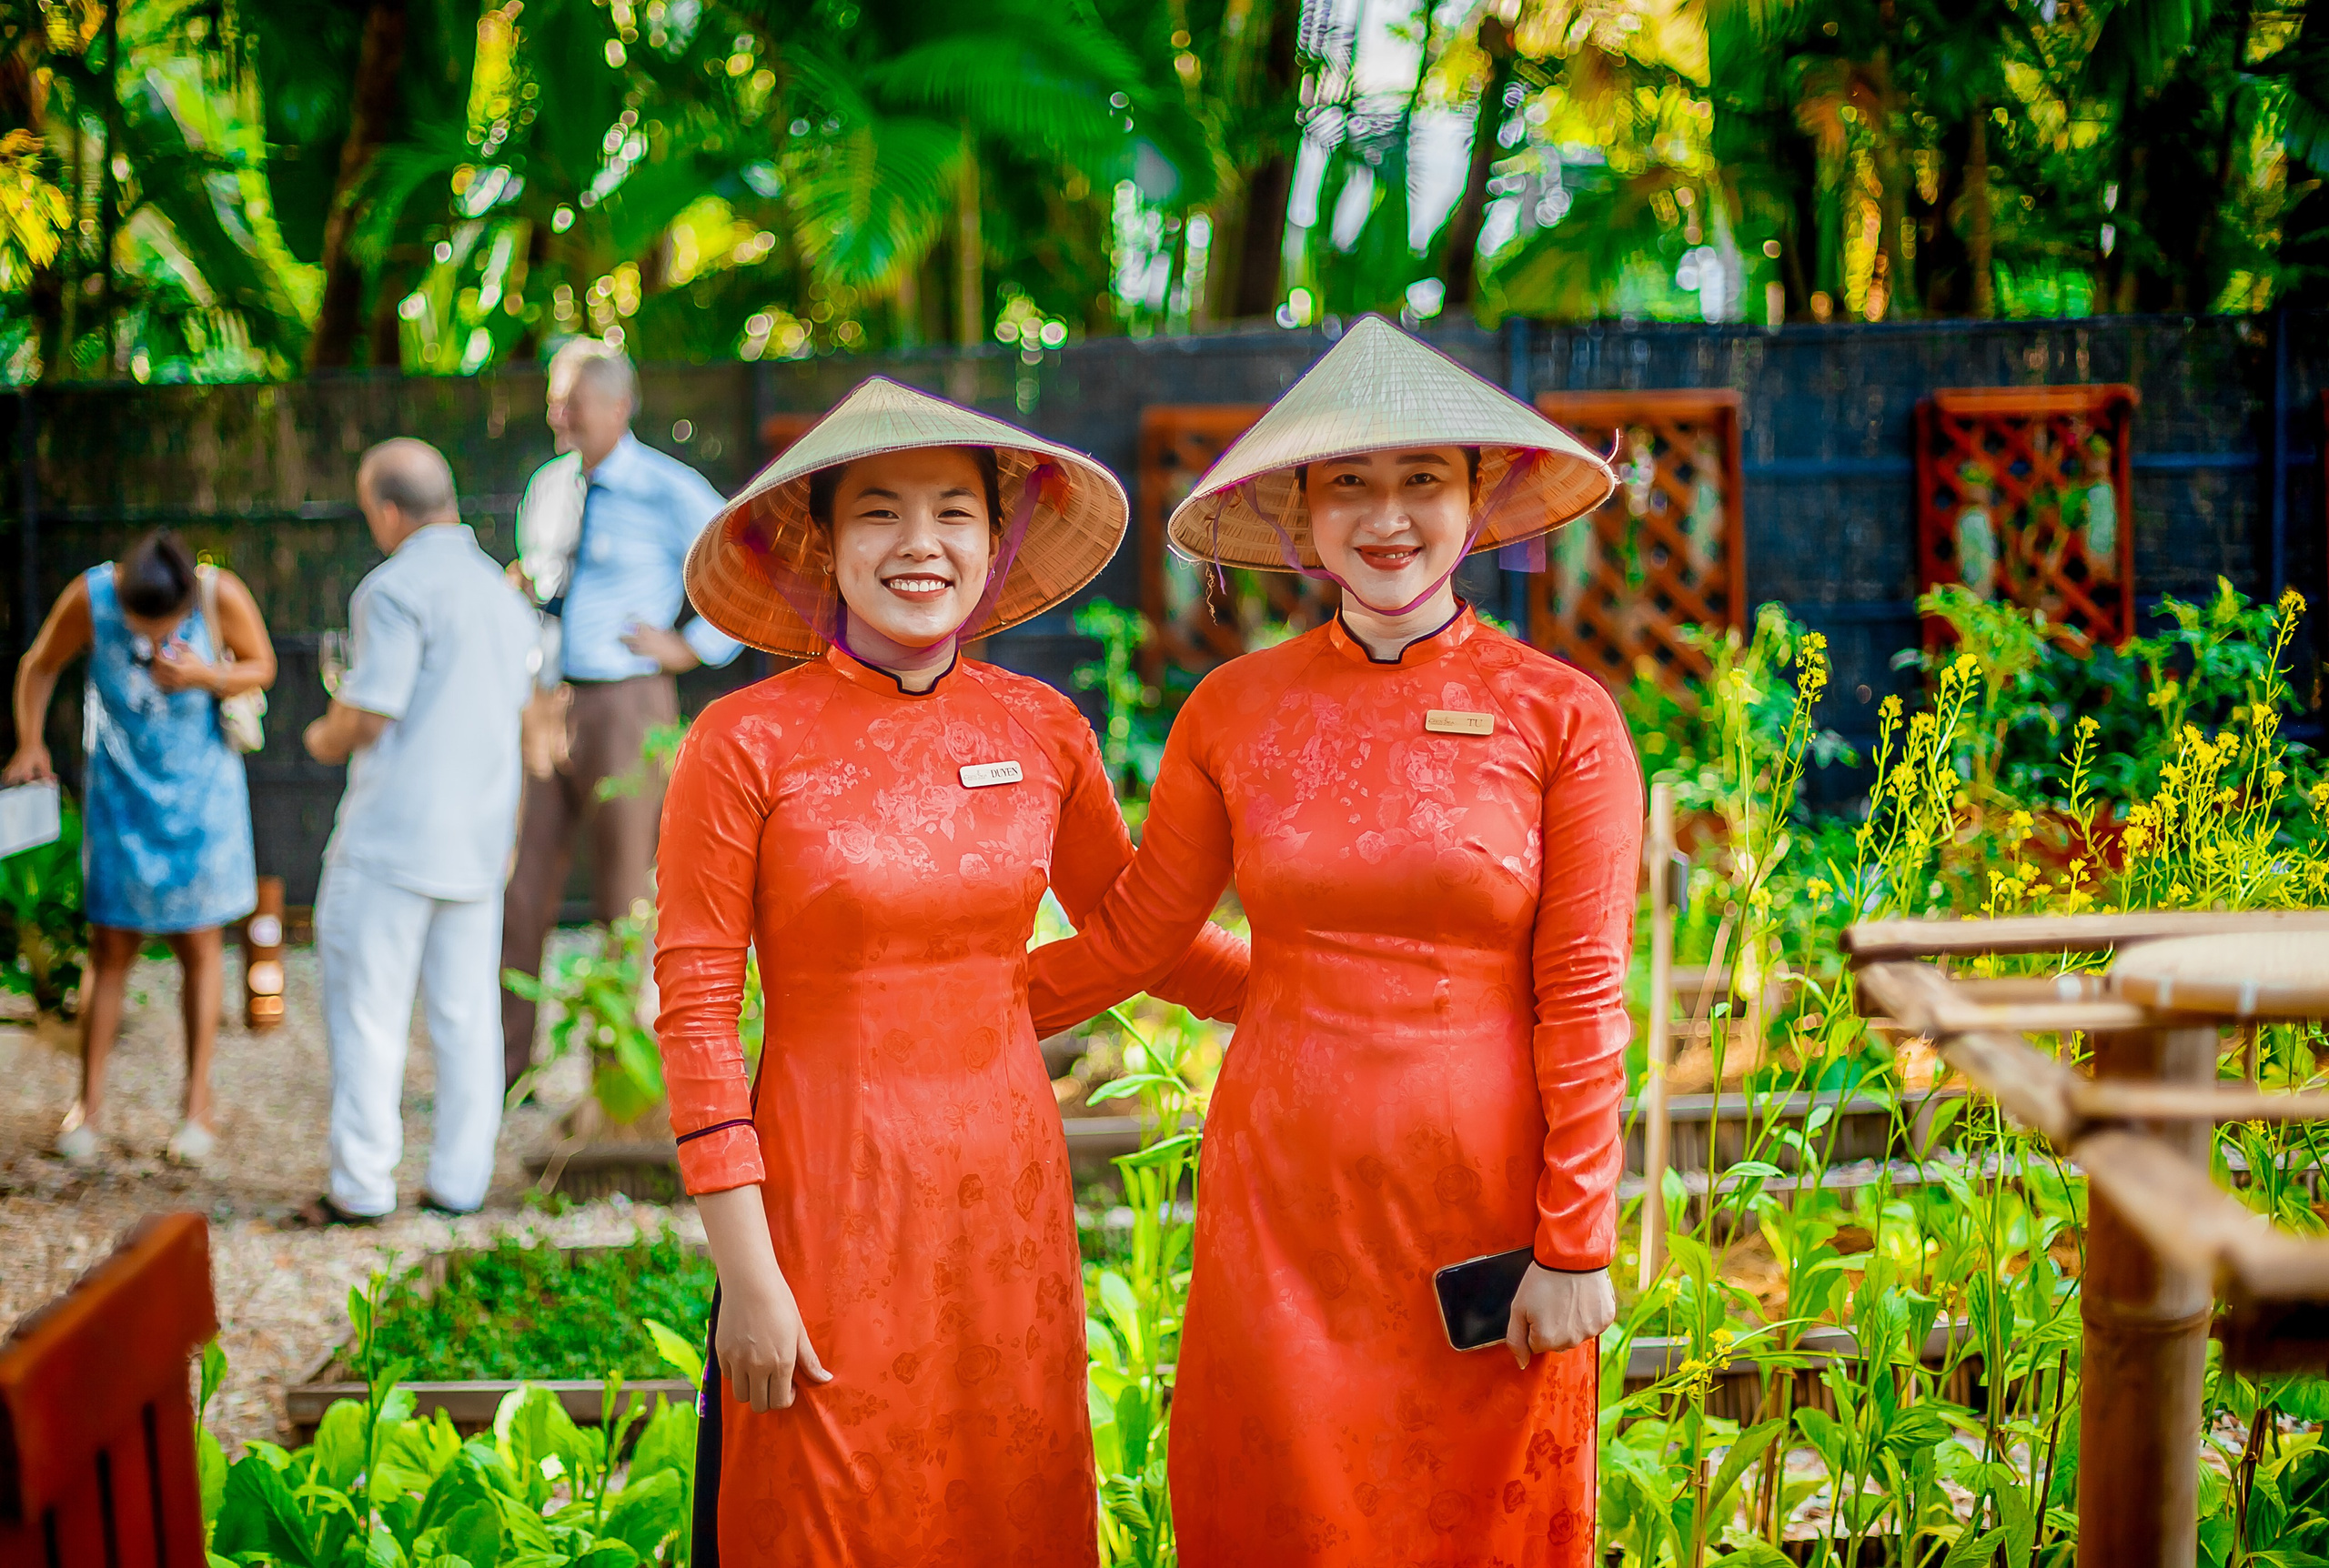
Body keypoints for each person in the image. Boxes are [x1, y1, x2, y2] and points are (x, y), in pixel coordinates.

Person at [1027, 316, 1636, 1564]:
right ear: (1301, 519)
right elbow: (1146, 933)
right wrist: (932, 1006)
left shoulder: (1563, 719)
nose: (1388, 516)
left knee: (1476, 1521)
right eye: (1348, 484)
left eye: (1423, 481)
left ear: (1480, 498)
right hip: (1281, 1205)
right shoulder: (1235, 709)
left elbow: (1581, 992)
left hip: (1483, 1203)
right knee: (1282, 1515)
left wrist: (1576, 1239)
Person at [653, 377, 1246, 1565]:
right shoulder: (743, 741)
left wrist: (1318, 984)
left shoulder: (1043, 729)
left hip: (1007, 1198)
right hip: (823, 1200)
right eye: (879, 512)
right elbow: (699, 1013)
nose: (919, 545)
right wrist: (748, 1274)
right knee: (828, 1511)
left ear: (996, 538)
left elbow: (1141, 931)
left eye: (953, 513)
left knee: (1002, 1500)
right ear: (822, 542)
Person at [292, 439, 538, 1226]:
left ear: (388, 511)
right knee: (467, 1018)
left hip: (393, 839)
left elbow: (369, 712)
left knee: (368, 1013)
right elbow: (525, 724)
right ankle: (459, 1184)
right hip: (476, 839)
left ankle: (362, 1186)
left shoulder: (392, 589)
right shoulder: (505, 598)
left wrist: (320, 737)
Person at [500, 345, 743, 1091]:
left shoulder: (668, 489)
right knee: (519, 888)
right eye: (552, 400)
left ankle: (615, 1082)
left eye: (570, 401)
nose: (556, 415)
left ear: (617, 408)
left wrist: (690, 647)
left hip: (628, 706)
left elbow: (743, 561)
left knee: (623, 893)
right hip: (547, 705)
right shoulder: (547, 487)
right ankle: (505, 1074)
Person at [4, 529, 277, 1166]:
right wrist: (30, 741)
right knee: (111, 943)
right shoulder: (89, 597)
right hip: (121, 797)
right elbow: (39, 666)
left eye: (165, 625)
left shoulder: (218, 594)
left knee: (199, 945)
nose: (151, 638)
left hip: (202, 800)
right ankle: (88, 1109)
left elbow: (262, 664)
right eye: (139, 624)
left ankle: (197, 1109)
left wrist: (205, 673)